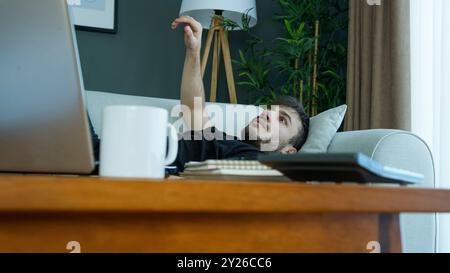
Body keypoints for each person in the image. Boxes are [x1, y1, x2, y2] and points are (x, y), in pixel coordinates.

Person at [169, 16, 310, 172]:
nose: (267, 113)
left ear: (289, 152)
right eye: (270, 109)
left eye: (282, 120)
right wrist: (193, 51)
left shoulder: (259, 165)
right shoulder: (224, 140)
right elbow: (194, 111)